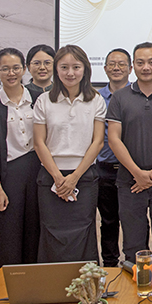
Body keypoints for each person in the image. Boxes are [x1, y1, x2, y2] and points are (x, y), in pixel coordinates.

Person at [106, 42, 152, 266]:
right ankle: (137, 286)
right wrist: (137, 173)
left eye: (151, 62)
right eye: (140, 63)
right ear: (133, 66)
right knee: (132, 244)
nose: (146, 67)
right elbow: (114, 139)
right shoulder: (120, 97)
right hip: (129, 181)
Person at [33, 45, 106, 263]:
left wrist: (74, 177)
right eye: (64, 67)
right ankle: (51, 282)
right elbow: (39, 142)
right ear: (56, 70)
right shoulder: (44, 100)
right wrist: (58, 177)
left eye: (76, 67)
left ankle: (87, 282)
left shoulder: (96, 100)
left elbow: (98, 142)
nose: (70, 73)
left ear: (85, 69)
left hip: (84, 176)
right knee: (51, 232)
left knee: (83, 233)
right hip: (50, 177)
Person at [0, 48, 43, 272]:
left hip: (37, 171)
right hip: (8, 174)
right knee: (8, 234)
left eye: (16, 68)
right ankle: (6, 286)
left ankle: (35, 284)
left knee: (36, 231)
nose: (11, 73)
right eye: (5, 68)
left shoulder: (39, 99)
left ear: (24, 69)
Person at [96, 48, 131, 267]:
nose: (116, 68)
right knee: (108, 220)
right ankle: (109, 264)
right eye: (112, 64)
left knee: (134, 220)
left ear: (130, 68)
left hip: (132, 168)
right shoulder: (95, 98)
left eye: (121, 64)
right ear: (105, 68)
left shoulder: (137, 94)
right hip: (104, 167)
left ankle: (134, 263)